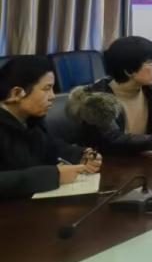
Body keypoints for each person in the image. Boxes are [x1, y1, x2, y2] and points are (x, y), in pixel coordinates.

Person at [67, 36, 152, 154]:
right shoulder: (97, 101)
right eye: (150, 63)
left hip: (144, 161)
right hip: (110, 167)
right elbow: (114, 141)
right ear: (129, 71)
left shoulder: (150, 90)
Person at [0, 56, 102, 199]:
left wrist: (80, 155)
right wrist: (54, 175)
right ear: (16, 93)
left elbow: (51, 147)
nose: (53, 96)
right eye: (46, 89)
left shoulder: (32, 120)